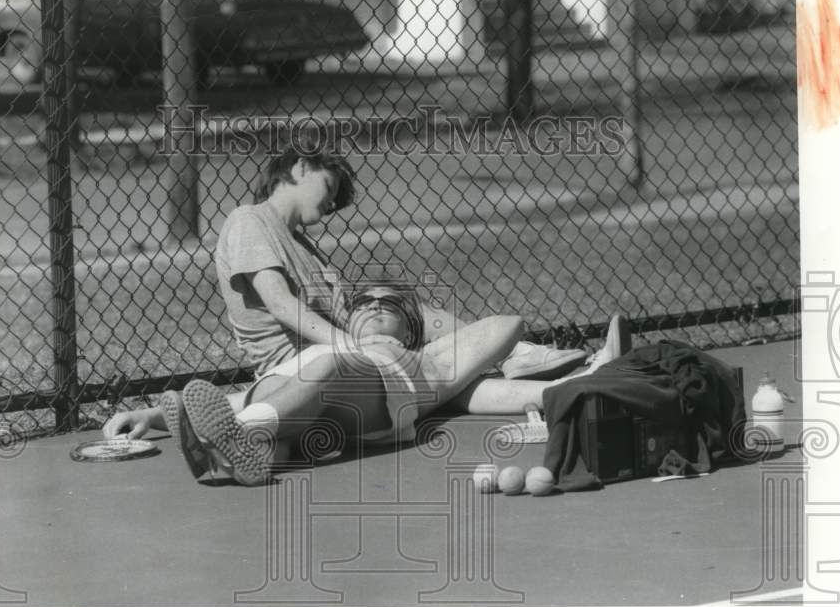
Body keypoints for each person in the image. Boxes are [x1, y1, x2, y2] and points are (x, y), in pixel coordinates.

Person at [104, 142, 588, 440]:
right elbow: (279, 303)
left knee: (466, 366)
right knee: (339, 367)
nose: (334, 201)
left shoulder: (310, 251)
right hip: (306, 373)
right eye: (330, 185)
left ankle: (577, 385)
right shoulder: (250, 220)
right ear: (297, 168)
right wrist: (351, 344)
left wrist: (388, 334)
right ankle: (246, 439)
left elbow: (355, 321)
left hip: (365, 381)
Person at [157, 282, 631, 486]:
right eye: (366, 303)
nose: (378, 304)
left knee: (325, 372)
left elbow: (508, 324)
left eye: (393, 305)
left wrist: (592, 376)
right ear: (349, 318)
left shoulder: (426, 362)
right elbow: (238, 396)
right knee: (271, 401)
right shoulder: (322, 346)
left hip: (372, 394)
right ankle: (242, 454)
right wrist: (155, 415)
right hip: (289, 396)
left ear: (412, 328)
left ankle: (235, 438)